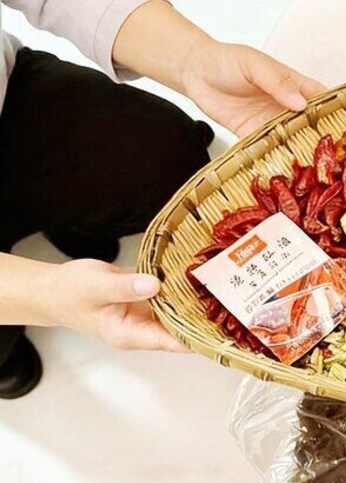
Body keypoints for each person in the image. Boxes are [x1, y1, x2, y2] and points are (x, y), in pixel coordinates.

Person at [0, 0, 325, 398]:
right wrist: (44, 294)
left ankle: (66, 218)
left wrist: (192, 59)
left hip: (9, 103)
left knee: (164, 157)